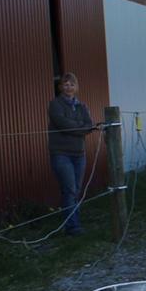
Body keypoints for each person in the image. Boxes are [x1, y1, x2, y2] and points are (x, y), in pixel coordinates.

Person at [47, 72, 97, 236]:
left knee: (76, 189)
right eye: (66, 84)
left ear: (76, 87)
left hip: (79, 154)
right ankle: (73, 227)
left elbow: (89, 125)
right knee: (69, 189)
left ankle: (73, 221)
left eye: (72, 84)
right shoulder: (55, 104)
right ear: (61, 87)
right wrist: (81, 127)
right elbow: (64, 124)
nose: (69, 87)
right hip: (61, 154)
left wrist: (80, 127)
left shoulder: (82, 106)